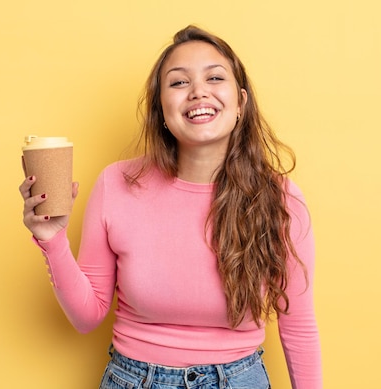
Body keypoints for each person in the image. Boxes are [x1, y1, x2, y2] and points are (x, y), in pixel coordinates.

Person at [20, 25, 322, 389]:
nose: (198, 92)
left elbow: (299, 325)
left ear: (241, 102)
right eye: (179, 83)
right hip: (134, 379)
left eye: (214, 77)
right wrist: (53, 239)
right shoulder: (116, 184)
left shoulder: (281, 198)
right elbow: (87, 317)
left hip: (240, 379)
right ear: (161, 109)